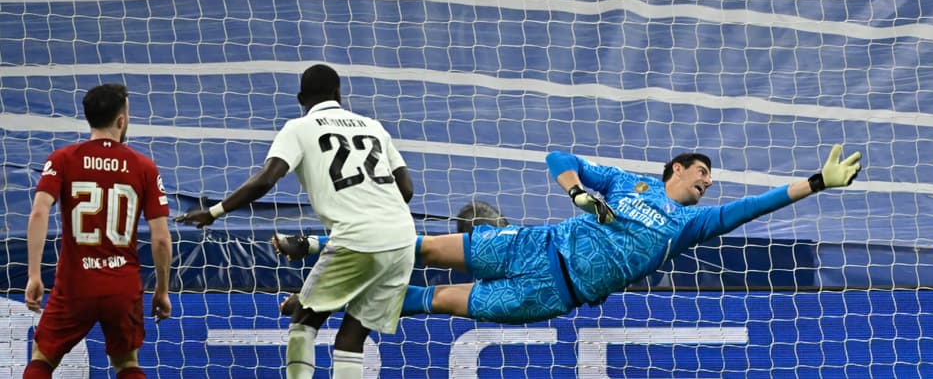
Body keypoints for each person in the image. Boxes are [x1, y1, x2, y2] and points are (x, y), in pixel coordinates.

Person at [276, 144, 862, 325]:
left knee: (438, 300)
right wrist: (579, 192)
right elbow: (559, 157)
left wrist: (816, 182)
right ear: (677, 170)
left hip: (550, 293)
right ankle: (315, 245)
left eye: (711, 179)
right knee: (425, 248)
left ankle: (322, 302)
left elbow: (754, 208)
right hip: (536, 243)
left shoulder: (691, 225)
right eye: (702, 172)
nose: (709, 183)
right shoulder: (628, 183)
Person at [177, 64, 416, 379]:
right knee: (352, 337)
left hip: (357, 237)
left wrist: (213, 212)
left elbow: (266, 179)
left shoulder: (299, 128)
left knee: (303, 320)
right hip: (402, 238)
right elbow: (407, 190)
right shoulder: (374, 127)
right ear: (339, 93)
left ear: (301, 98)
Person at [24, 83, 172, 379]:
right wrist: (162, 290)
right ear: (121, 120)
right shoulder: (144, 167)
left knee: (43, 357)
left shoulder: (63, 158)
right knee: (127, 363)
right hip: (122, 285)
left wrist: (34, 274)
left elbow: (39, 212)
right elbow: (161, 239)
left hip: (75, 283)